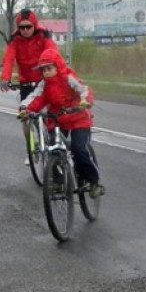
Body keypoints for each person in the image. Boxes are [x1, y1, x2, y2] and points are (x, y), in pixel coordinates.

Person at [19, 47, 104, 198]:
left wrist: (85, 100)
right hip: (57, 120)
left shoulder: (68, 78)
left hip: (78, 118)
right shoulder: (44, 85)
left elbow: (84, 89)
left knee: (79, 149)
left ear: (57, 66)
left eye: (49, 68)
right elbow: (36, 98)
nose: (46, 72)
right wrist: (25, 108)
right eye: (43, 70)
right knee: (53, 150)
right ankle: (58, 182)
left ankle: (93, 182)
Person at [0, 9, 65, 102]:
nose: (25, 30)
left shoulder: (43, 35)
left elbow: (54, 55)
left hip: (44, 79)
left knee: (53, 110)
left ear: (34, 25)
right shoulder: (14, 40)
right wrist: (5, 78)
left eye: (28, 27)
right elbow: (8, 59)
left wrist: (62, 75)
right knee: (25, 112)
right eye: (22, 27)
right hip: (26, 82)